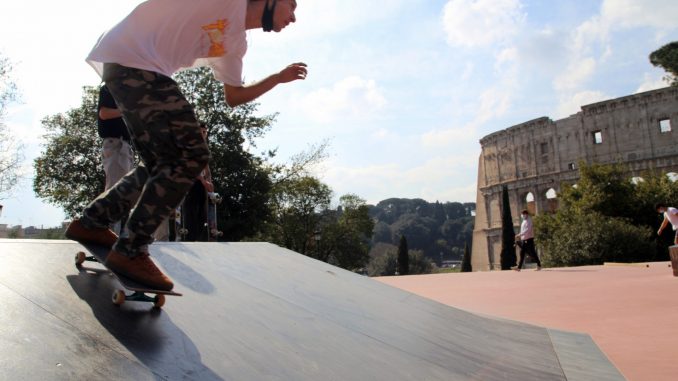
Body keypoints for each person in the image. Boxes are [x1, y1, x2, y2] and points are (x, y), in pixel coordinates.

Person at [65, 0, 306, 291]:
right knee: (192, 154)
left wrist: (277, 79)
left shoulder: (236, 43)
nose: (293, 17)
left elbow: (234, 96)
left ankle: (92, 222)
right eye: (291, 6)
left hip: (130, 66)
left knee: (160, 164)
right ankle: (131, 248)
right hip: (135, 60)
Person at [97, 84, 134, 235]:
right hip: (115, 144)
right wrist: (126, 110)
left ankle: (117, 234)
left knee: (125, 193)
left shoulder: (127, 93)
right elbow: (104, 113)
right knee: (115, 190)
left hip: (126, 147)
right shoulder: (110, 88)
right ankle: (108, 233)